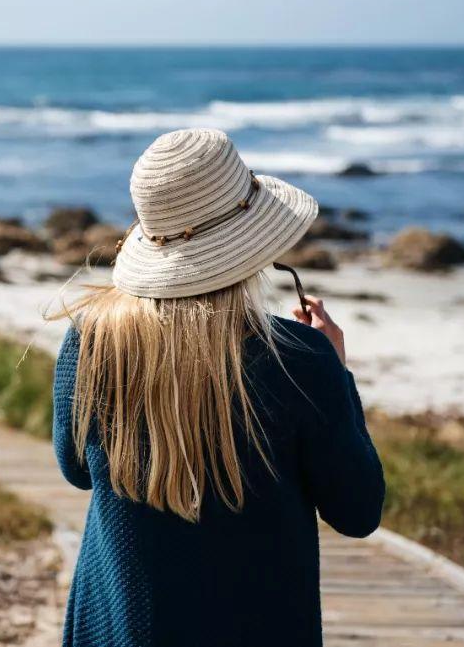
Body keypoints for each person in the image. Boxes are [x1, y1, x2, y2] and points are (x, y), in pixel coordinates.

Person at [52, 128, 385, 647]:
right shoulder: (300, 359)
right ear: (255, 247)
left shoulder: (91, 342)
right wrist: (338, 376)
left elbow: (76, 471)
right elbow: (358, 511)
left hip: (122, 628)